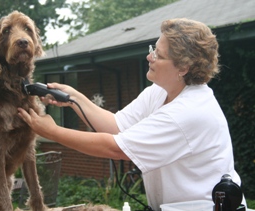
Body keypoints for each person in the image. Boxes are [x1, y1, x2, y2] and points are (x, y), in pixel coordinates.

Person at [18, 18, 245, 210]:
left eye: (159, 54)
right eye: (152, 49)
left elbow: (115, 147)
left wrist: (52, 131)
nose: (150, 57)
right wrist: (75, 98)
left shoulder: (189, 112)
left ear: (183, 68)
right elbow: (117, 125)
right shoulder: (159, 92)